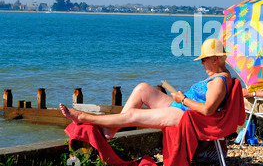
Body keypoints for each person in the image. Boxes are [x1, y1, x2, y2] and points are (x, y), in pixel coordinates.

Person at [60, 38, 232, 140]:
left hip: (188, 116)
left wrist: (183, 99)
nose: (201, 63)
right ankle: (113, 127)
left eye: (204, 60)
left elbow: (208, 110)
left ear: (215, 59)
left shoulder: (218, 81)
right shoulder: (220, 76)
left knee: (133, 115)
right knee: (142, 88)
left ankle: (83, 117)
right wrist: (181, 99)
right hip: (183, 108)